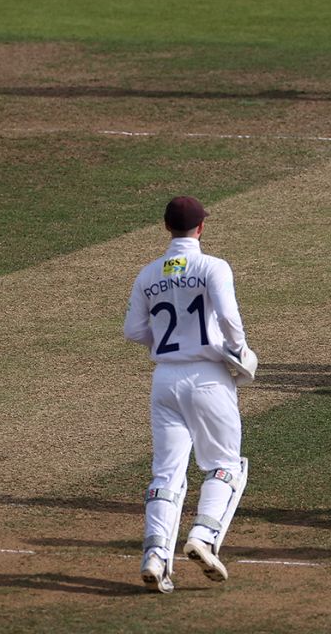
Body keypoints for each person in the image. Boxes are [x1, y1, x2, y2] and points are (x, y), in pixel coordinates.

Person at [125, 196, 258, 594]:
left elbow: (133, 331)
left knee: (166, 473)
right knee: (226, 465)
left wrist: (172, 342)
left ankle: (154, 554)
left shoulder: (148, 274)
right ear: (201, 228)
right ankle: (204, 535)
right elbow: (229, 316)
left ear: (167, 228)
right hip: (208, 378)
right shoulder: (212, 266)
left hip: (165, 379)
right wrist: (241, 350)